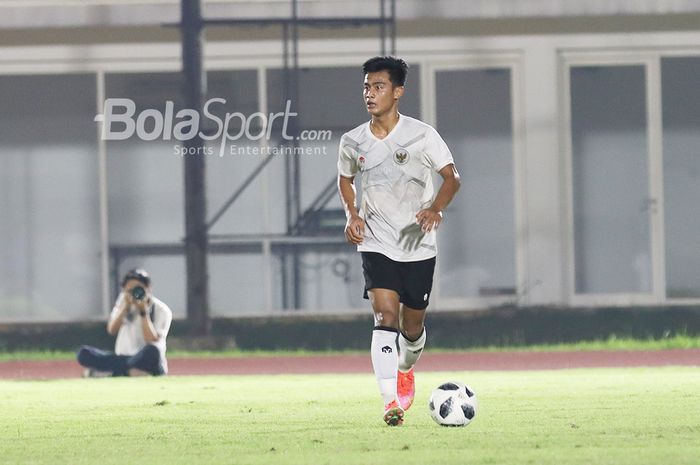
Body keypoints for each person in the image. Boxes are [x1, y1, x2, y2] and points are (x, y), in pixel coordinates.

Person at [337, 56, 461, 426]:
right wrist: (352, 215)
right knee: (384, 316)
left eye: (378, 87)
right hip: (376, 240)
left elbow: (452, 178)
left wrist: (436, 208)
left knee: (412, 326)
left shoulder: (422, 135)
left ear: (398, 92)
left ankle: (405, 367)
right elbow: (346, 180)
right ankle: (390, 400)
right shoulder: (352, 141)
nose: (370, 94)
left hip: (418, 243)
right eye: (366, 87)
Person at [77, 268, 173, 377]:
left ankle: (110, 373)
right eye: (129, 291)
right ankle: (130, 372)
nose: (134, 294)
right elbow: (112, 330)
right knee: (84, 353)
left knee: (152, 352)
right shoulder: (123, 302)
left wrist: (143, 312)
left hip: (145, 359)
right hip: (123, 357)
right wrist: (125, 308)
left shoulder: (161, 310)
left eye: (137, 289)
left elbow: (151, 340)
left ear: (148, 289)